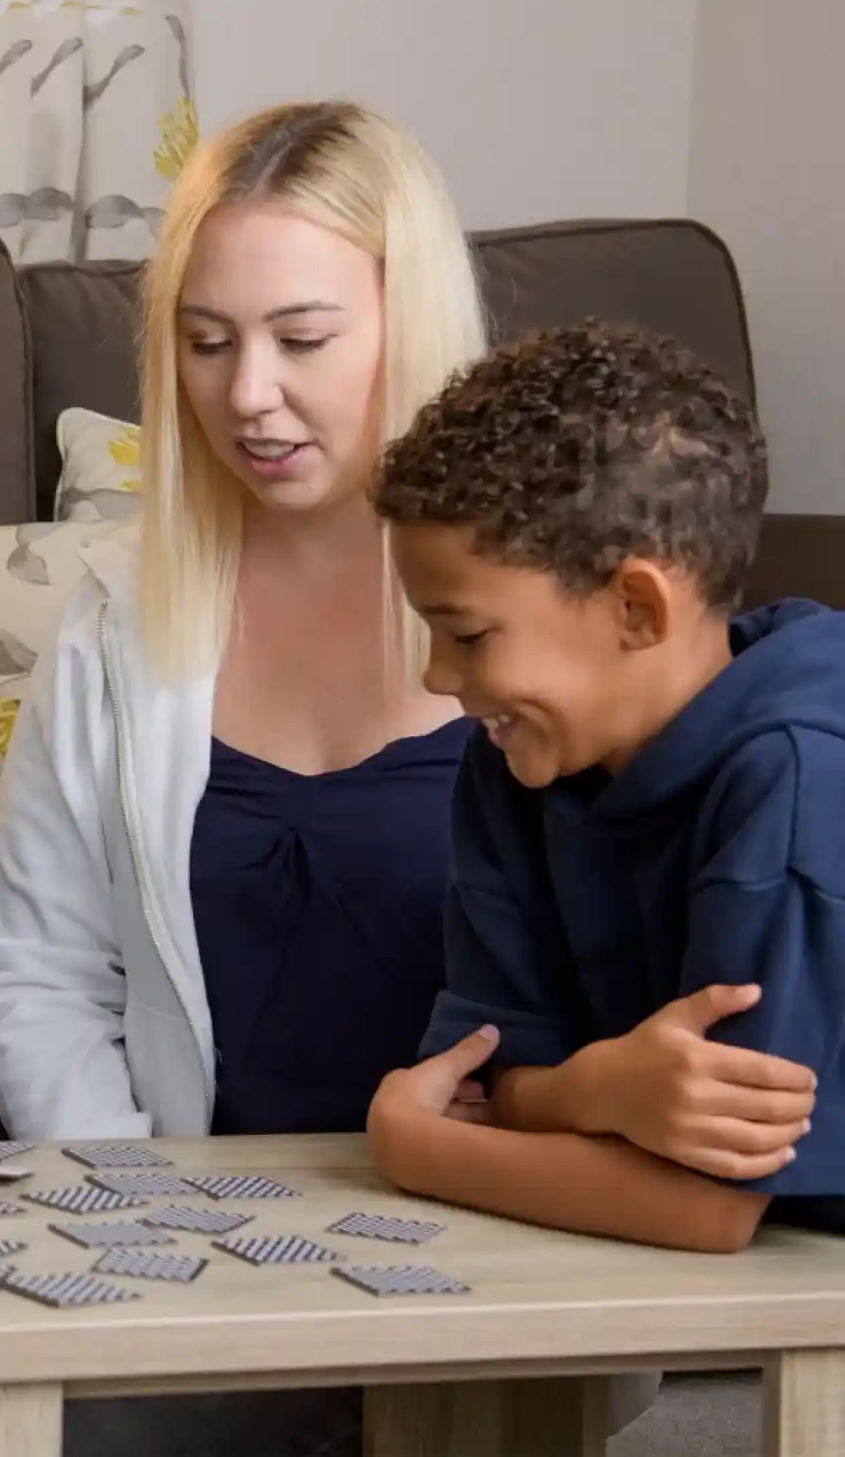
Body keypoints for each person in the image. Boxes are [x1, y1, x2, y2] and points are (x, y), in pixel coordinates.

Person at [0, 100, 484, 1456]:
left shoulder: (540, 602)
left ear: (407, 325)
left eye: (302, 340)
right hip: (186, 1248)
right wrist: (145, 1222)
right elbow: (37, 971)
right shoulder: (114, 615)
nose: (248, 392)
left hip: (479, 1259)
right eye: (207, 342)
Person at [369, 322, 841, 1251]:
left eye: (467, 635)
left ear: (635, 608)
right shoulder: (519, 761)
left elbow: (705, 1205)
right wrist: (591, 1091)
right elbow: (478, 1078)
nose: (434, 678)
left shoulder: (795, 775)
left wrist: (410, 1145)